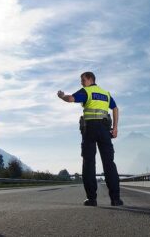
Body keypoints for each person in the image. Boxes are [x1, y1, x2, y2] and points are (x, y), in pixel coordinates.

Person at [57, 71, 123, 207]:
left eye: (82, 80)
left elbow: (71, 99)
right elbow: (115, 108)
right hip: (105, 130)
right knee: (109, 163)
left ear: (90, 79)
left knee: (89, 163)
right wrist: (115, 128)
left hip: (90, 129)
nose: (81, 82)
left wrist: (62, 96)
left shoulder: (87, 91)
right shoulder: (106, 93)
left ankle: (92, 199)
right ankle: (115, 199)